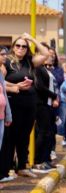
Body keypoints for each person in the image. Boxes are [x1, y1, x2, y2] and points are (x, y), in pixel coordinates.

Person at [1, 33, 49, 178]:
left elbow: (45, 54)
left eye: (24, 46)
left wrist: (31, 39)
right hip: (13, 103)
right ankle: (8, 167)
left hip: (29, 103)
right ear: (13, 47)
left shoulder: (29, 61)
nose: (21, 48)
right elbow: (1, 83)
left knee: (24, 136)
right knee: (11, 137)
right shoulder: (6, 62)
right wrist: (16, 86)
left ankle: (22, 166)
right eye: (18, 45)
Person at [33, 43, 59, 173]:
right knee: (42, 133)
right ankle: (38, 161)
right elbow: (39, 87)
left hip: (48, 105)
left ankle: (46, 159)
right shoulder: (38, 68)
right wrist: (54, 96)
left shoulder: (47, 69)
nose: (51, 57)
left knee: (49, 133)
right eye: (48, 54)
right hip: (41, 104)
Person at [0, 46, 13, 184]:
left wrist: (8, 115)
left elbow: (4, 93)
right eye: (2, 54)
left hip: (2, 117)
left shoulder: (0, 73)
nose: (5, 57)